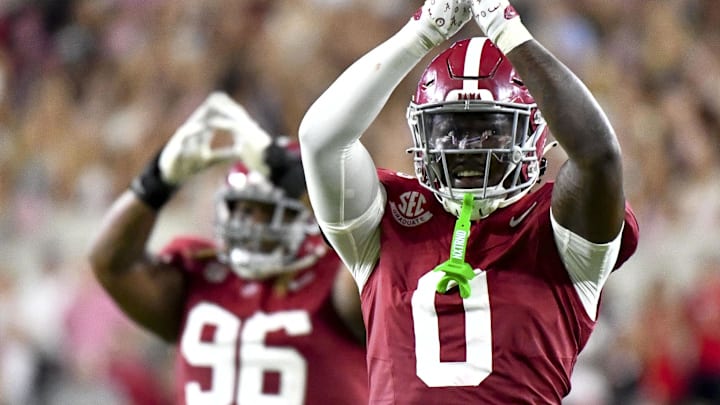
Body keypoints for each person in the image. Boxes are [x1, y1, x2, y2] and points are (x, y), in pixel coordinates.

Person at [298, 1, 639, 404]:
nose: (465, 149)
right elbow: (320, 142)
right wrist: (421, 33)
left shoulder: (556, 227)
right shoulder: (388, 216)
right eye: (449, 130)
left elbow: (598, 157)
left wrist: (509, 33)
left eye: (489, 131)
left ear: (533, 135)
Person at [88, 92, 368, 405]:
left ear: (302, 211)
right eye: (237, 206)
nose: (243, 219)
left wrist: (297, 181)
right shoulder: (201, 271)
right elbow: (110, 264)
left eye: (259, 207)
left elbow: (365, 246)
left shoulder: (337, 276)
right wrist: (155, 182)